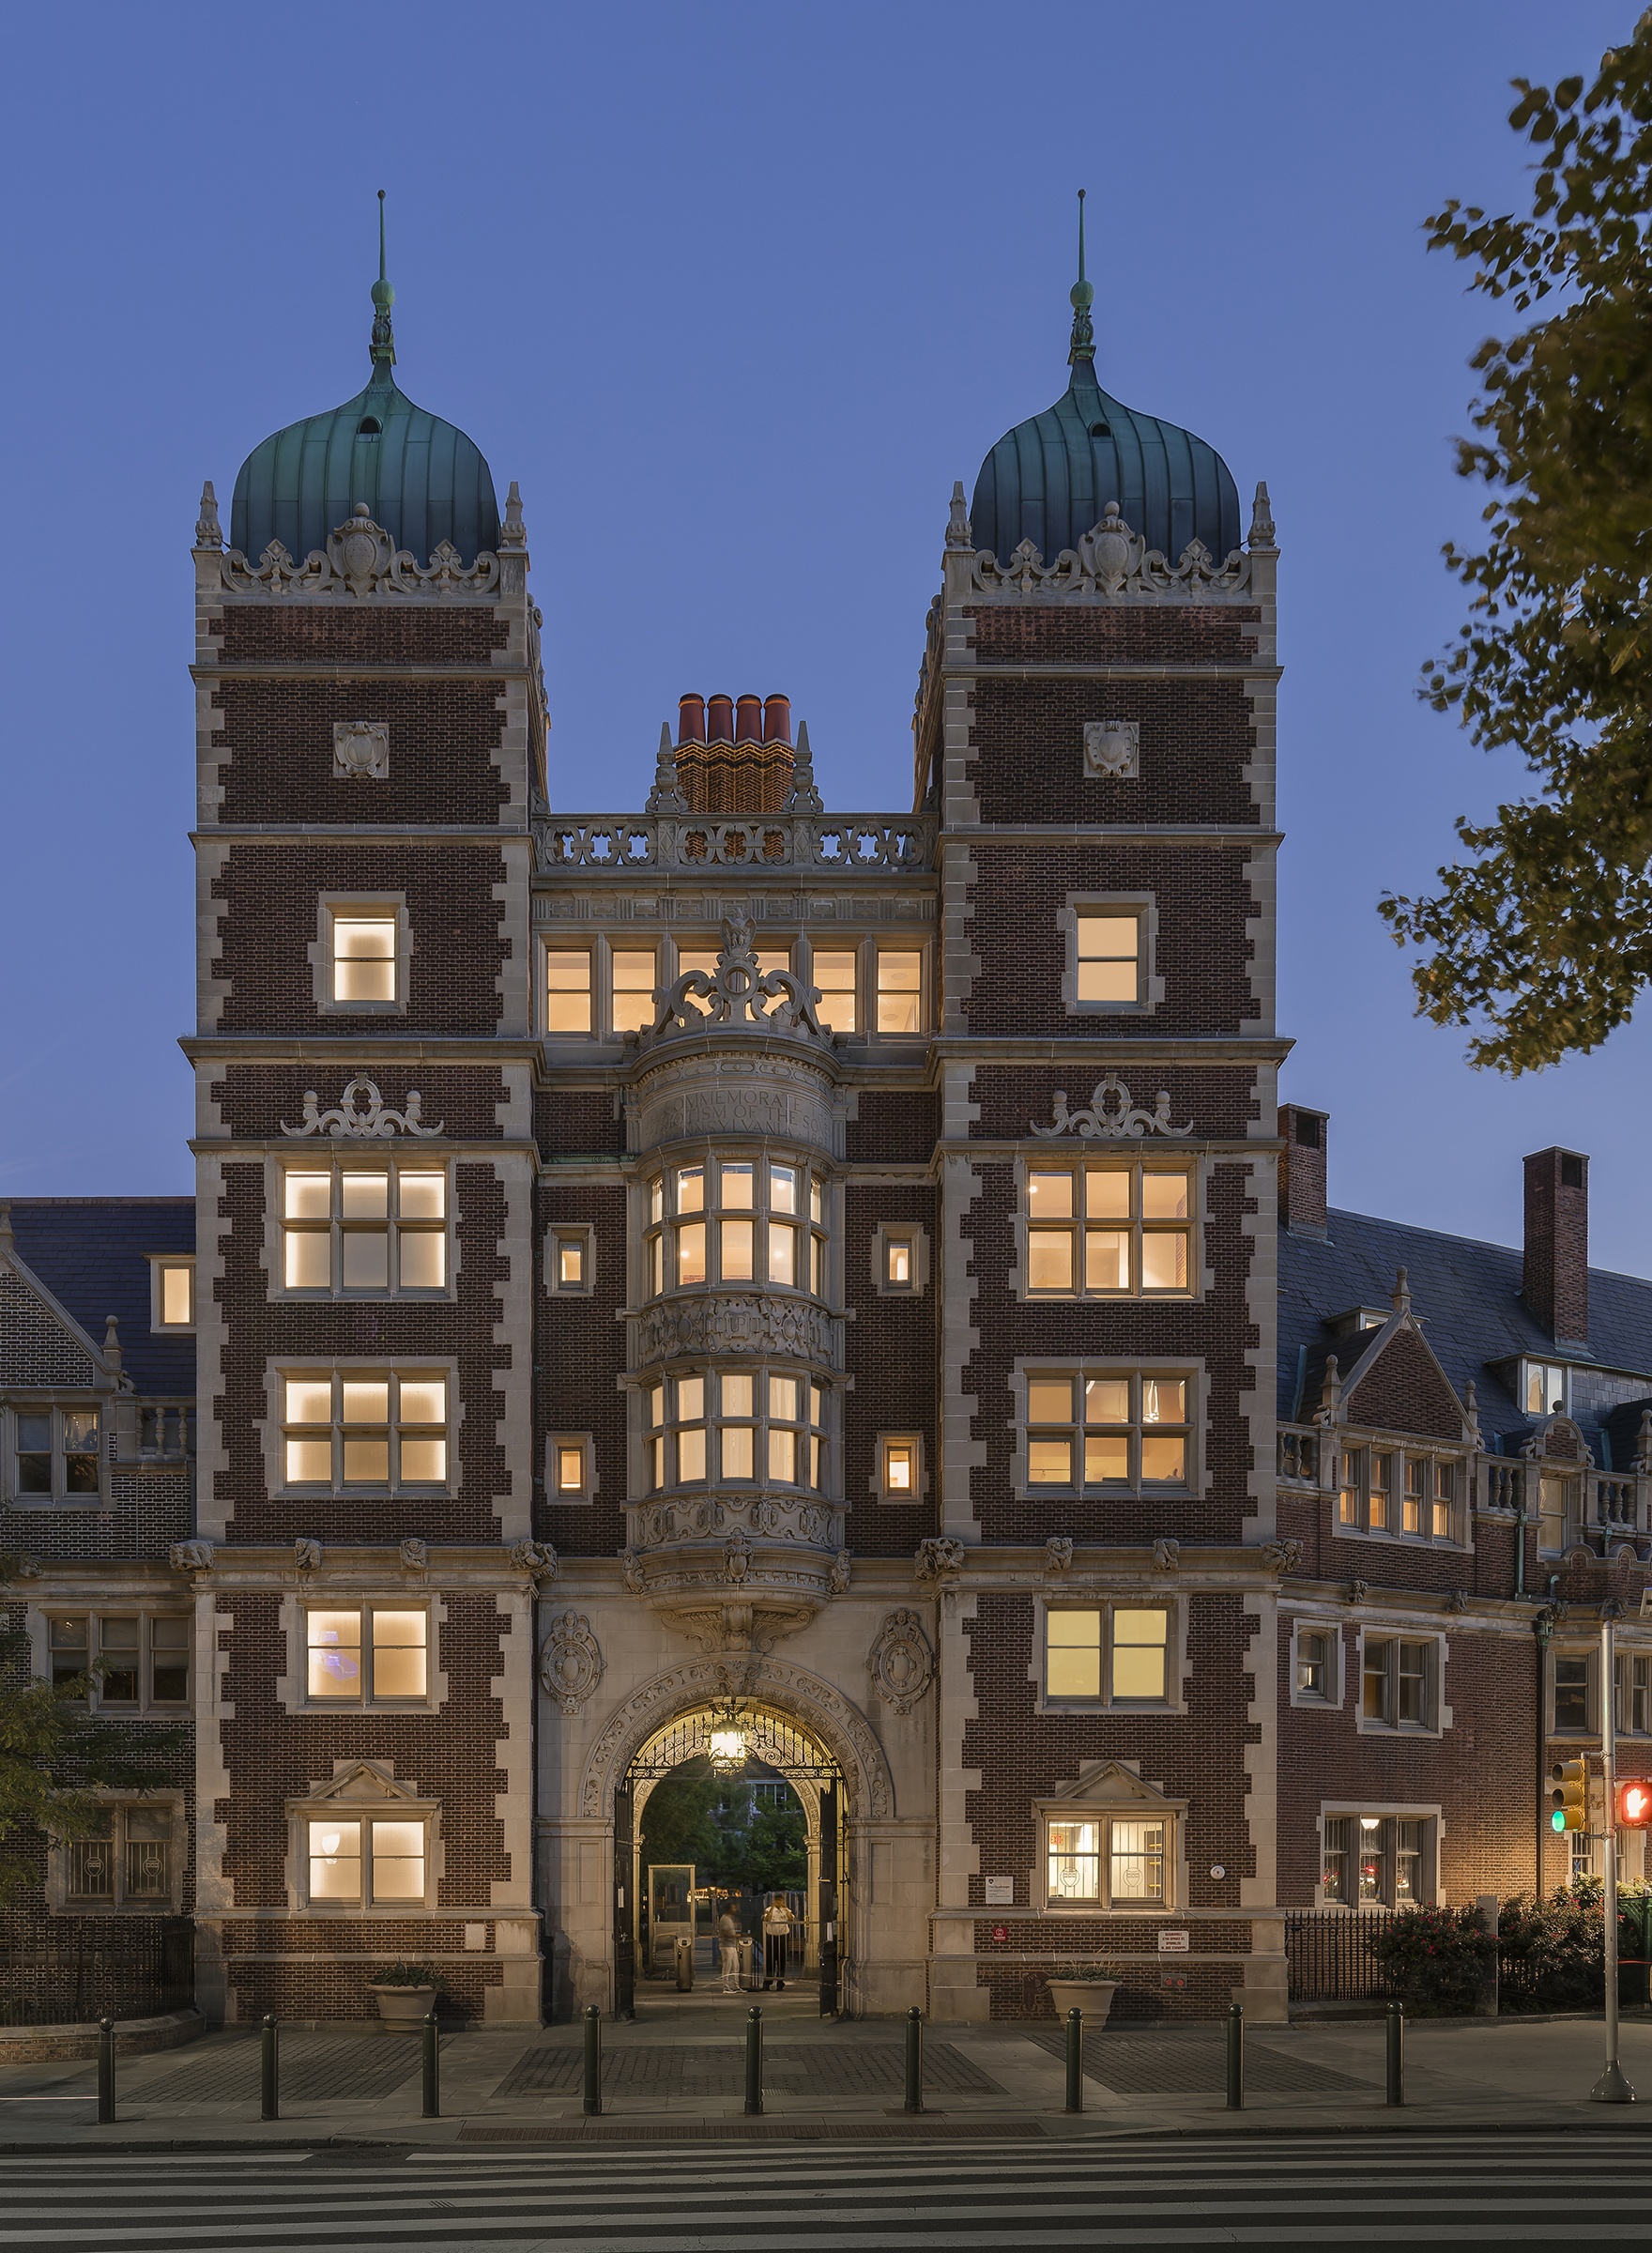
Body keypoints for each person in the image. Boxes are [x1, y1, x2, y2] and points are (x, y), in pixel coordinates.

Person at [761, 1895, 796, 1990]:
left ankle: (780, 1981)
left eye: (780, 1901)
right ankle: (768, 1981)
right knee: (770, 1960)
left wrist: (785, 1908)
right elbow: (766, 1919)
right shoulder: (769, 1909)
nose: (778, 1902)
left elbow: (791, 1919)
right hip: (771, 1936)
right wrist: (773, 1907)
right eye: (777, 1901)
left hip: (783, 1937)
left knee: (782, 1960)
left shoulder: (786, 1910)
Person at [716, 1905, 742, 1994]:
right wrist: (737, 1936)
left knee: (735, 1966)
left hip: (732, 1945)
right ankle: (726, 1987)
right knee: (727, 1966)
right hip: (726, 1945)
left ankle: (736, 1986)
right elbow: (726, 1933)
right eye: (734, 1908)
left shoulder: (729, 1919)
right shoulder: (725, 1919)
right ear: (729, 1909)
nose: (736, 1909)